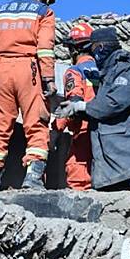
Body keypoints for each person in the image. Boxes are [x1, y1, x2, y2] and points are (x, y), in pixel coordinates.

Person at [54, 27, 130, 202]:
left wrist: (60, 125)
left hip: (125, 152)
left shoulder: (124, 70)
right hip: (108, 150)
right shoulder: (105, 72)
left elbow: (114, 102)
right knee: (114, 204)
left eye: (95, 49)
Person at [0, 0, 59, 191]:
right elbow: (44, 48)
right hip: (29, 69)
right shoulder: (45, 12)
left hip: (1, 72)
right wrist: (48, 80)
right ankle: (32, 178)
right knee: (37, 123)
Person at [52, 23, 98, 190]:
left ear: (74, 49)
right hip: (106, 135)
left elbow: (72, 105)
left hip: (84, 133)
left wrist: (56, 130)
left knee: (79, 179)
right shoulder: (105, 71)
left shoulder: (75, 71)